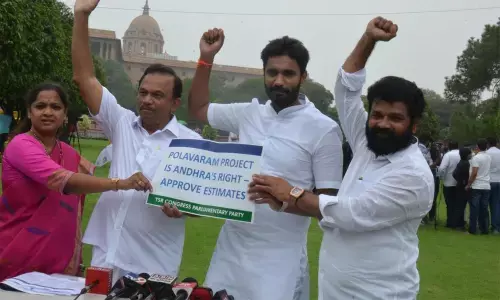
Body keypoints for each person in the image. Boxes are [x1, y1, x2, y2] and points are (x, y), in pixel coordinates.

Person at [248, 17, 434, 299]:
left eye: (395, 118)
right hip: (335, 289)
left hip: (379, 293)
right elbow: (346, 91)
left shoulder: (413, 175)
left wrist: (292, 192)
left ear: (414, 124)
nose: (383, 124)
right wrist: (368, 39)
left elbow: (350, 213)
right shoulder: (366, 143)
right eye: (377, 114)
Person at [186, 29, 343, 299]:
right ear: (264, 74)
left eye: (288, 74)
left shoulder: (324, 129)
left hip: (280, 259)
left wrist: (287, 196)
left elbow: (328, 207)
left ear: (303, 77)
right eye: (272, 73)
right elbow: (198, 109)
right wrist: (205, 59)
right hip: (231, 249)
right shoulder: (249, 113)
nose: (278, 81)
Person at [72, 0, 201, 281]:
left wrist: (186, 210)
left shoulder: (191, 143)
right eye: (143, 93)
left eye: (157, 95)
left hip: (153, 261)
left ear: (175, 103)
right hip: (107, 254)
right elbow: (84, 78)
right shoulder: (122, 124)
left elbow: (203, 203)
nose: (147, 100)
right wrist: (81, 16)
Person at [0, 83, 151, 281]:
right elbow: (65, 181)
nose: (47, 112)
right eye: (40, 106)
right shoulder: (20, 145)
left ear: (64, 115)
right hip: (17, 256)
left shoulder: (70, 154)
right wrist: (120, 183)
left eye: (55, 107)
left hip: (59, 263)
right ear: (29, 112)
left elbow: (75, 212)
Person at [466, 139, 492, 235]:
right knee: (484, 208)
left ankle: (472, 229)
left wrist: (469, 184)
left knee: (474, 208)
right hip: (486, 185)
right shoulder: (488, 157)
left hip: (477, 185)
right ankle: (484, 228)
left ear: (477, 147)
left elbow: (474, 173)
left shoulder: (476, 158)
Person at [438, 141, 460, 227]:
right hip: (459, 183)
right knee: (458, 203)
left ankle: (450, 222)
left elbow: (442, 168)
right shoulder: (461, 153)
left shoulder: (448, 155)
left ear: (449, 147)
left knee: (450, 204)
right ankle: (458, 221)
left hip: (448, 182)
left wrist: (441, 177)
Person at [452, 147, 472, 231]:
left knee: (460, 205)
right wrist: (463, 181)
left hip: (460, 186)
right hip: (463, 187)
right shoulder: (466, 163)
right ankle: (458, 224)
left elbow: (454, 174)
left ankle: (458, 223)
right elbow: (455, 174)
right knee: (461, 206)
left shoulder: (461, 162)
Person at [486, 137, 500, 234]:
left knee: (485, 204)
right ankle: (496, 227)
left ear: (488, 144)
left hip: (488, 180)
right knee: (496, 204)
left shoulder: (486, 154)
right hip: (498, 179)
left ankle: (485, 225)